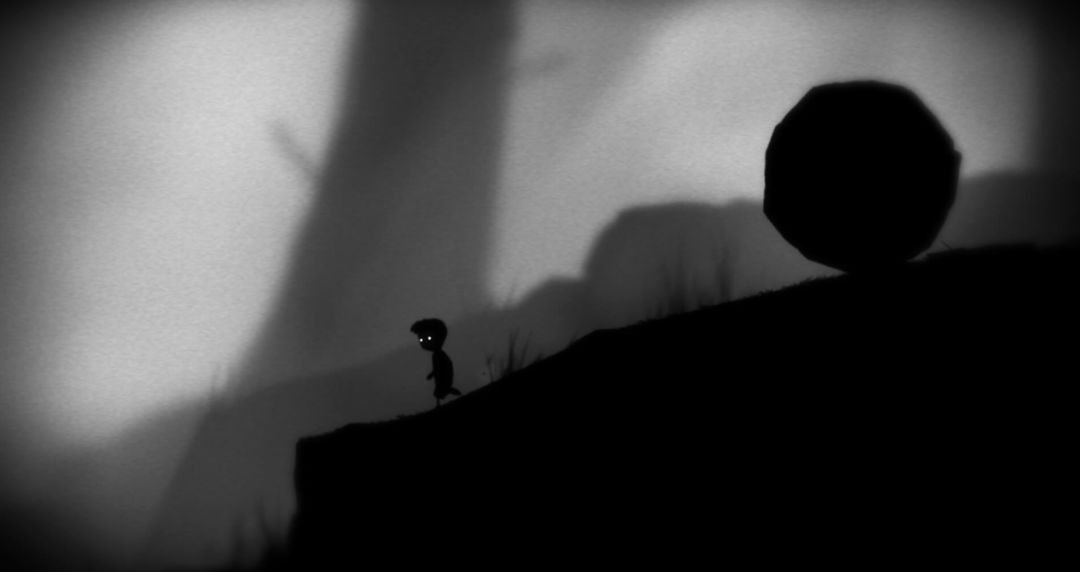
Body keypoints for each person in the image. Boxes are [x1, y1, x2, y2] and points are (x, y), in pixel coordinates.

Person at [410, 318, 461, 407]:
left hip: (443, 377)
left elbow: (444, 366)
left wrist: (434, 373)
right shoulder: (437, 355)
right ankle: (444, 394)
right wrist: (433, 373)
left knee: (440, 390)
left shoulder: (439, 355)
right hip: (441, 377)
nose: (424, 342)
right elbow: (438, 367)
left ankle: (445, 393)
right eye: (421, 340)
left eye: (429, 338)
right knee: (439, 390)